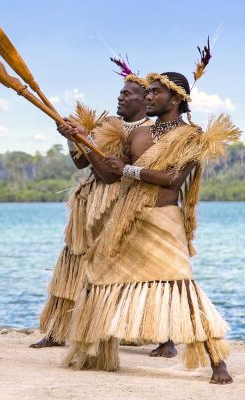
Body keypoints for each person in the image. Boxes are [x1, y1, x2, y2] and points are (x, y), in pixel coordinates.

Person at [63, 71, 239, 384]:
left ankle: (217, 361)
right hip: (126, 221)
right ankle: (95, 353)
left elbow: (173, 178)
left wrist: (130, 169)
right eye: (148, 92)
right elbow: (108, 175)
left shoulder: (191, 137)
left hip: (162, 222)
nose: (148, 97)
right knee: (98, 273)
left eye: (155, 93)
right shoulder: (137, 136)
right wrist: (80, 139)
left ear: (176, 99)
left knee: (183, 287)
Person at [33, 62, 152, 349]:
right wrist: (71, 139)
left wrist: (83, 139)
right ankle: (59, 330)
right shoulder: (108, 124)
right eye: (120, 93)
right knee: (72, 261)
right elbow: (81, 162)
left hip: (118, 202)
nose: (121, 97)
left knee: (132, 268)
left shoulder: (149, 132)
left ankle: (154, 335)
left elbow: (109, 174)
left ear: (145, 100)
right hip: (90, 202)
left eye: (128, 94)